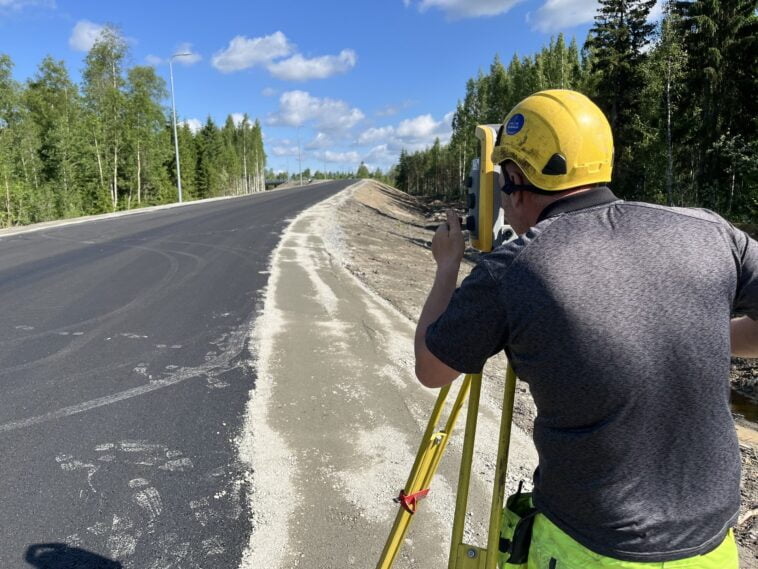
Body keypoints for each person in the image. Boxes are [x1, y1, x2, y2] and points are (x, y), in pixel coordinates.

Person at [414, 89, 758, 568]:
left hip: (587, 548)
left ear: (515, 177)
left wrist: (448, 265)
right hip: (712, 548)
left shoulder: (514, 267)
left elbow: (432, 368)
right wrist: (700, 337)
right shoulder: (709, 230)